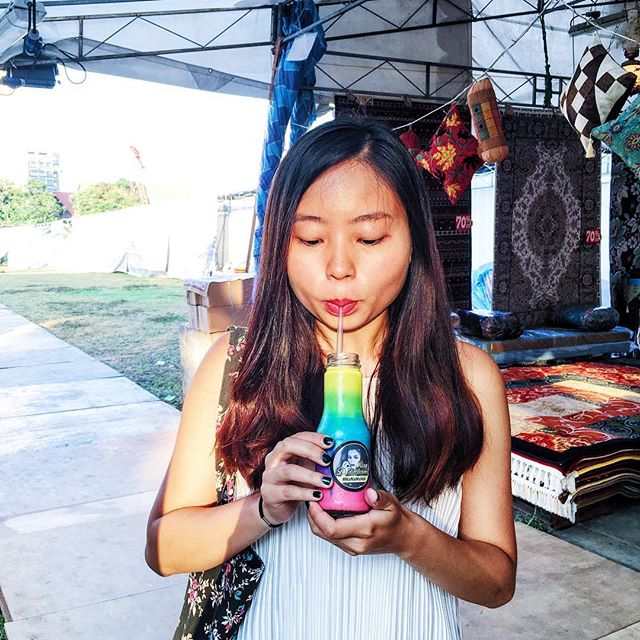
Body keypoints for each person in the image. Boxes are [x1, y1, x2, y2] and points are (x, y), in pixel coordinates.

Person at [145, 117, 516, 640]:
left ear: (413, 239)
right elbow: (162, 548)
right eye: (311, 238)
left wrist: (410, 537)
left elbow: (497, 582)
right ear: (281, 243)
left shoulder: (468, 378)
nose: (339, 266)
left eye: (369, 237)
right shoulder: (236, 367)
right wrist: (263, 508)